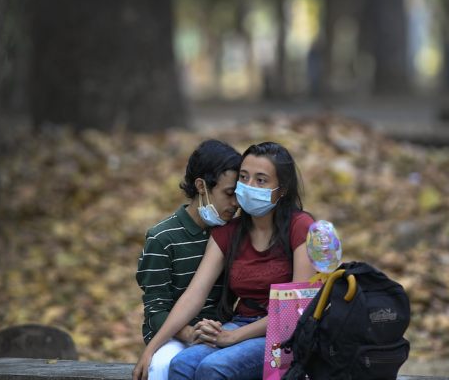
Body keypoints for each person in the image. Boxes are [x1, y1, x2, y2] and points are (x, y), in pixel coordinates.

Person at [133, 142, 316, 380]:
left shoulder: (301, 227)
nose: (249, 187)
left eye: (261, 180)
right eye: (244, 177)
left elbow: (296, 310)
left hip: (285, 333)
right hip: (240, 323)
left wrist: (233, 337)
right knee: (181, 364)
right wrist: (151, 348)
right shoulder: (229, 230)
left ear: (282, 188)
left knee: (214, 368)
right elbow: (194, 295)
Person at [136, 139, 242, 380]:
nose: (236, 204)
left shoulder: (235, 233)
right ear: (201, 186)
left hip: (224, 333)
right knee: (162, 367)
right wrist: (192, 332)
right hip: (173, 337)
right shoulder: (162, 238)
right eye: (228, 193)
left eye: (239, 195)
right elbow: (155, 312)